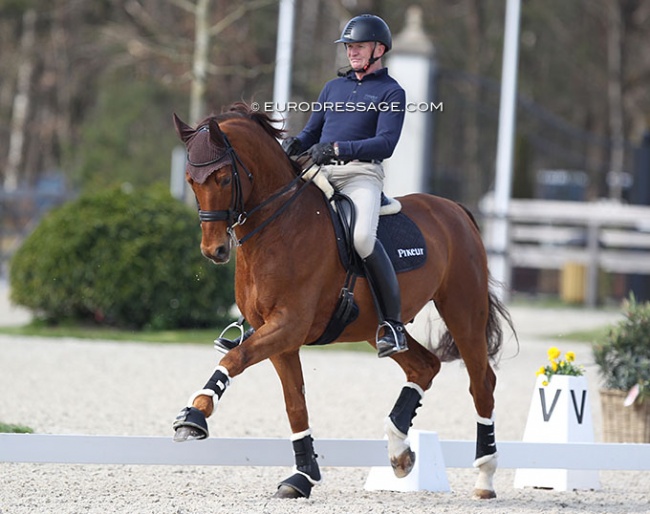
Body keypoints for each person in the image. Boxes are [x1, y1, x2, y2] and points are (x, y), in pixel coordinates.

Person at [282, 14, 408, 358]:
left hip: (360, 175)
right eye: (349, 47)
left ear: (378, 49)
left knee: (362, 238)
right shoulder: (333, 88)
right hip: (320, 171)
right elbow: (313, 132)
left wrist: (339, 149)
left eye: (359, 47)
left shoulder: (391, 92)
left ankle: (392, 325)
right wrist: (296, 143)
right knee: (281, 219)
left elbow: (385, 143)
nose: (352, 52)